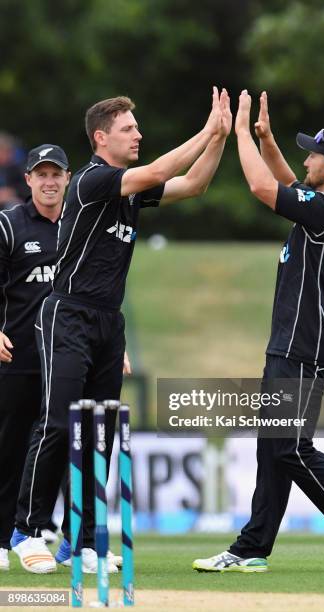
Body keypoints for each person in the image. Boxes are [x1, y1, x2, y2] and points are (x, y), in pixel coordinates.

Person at [12, 88, 232, 573]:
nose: (139, 134)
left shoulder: (129, 189)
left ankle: (83, 541)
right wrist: (205, 130)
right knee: (56, 423)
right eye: (129, 129)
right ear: (101, 137)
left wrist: (220, 137)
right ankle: (25, 531)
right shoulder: (93, 180)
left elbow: (192, 184)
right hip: (66, 313)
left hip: (109, 322)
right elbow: (157, 172)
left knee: (99, 434)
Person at [193, 90, 324, 574]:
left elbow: (267, 191)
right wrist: (267, 140)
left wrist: (241, 133)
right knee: (273, 446)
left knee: (288, 447)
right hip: (300, 344)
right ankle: (251, 549)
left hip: (303, 347)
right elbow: (287, 182)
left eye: (314, 154)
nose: (306, 159)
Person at [0, 145, 70, 572]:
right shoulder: (9, 225)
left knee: (60, 448)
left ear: (67, 178)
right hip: (18, 356)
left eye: (55, 174)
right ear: (28, 180)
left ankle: (65, 541)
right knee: (10, 450)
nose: (48, 181)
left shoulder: (79, 225)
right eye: (40, 174)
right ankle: (3, 538)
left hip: (65, 357)